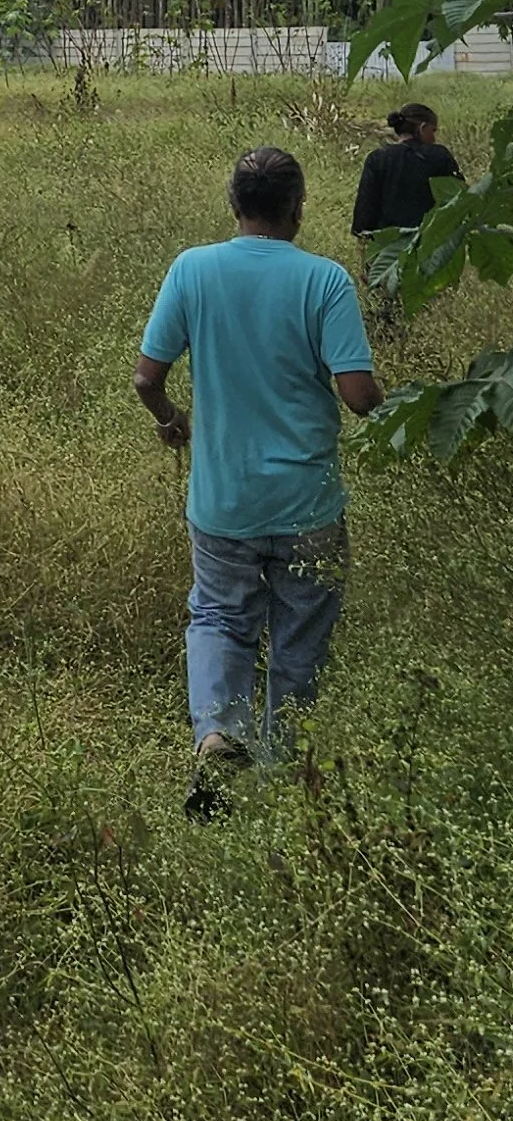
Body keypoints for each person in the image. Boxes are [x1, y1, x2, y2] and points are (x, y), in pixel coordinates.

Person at [133, 147, 383, 815]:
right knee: (299, 639)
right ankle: (283, 781)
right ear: (298, 209)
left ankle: (217, 733)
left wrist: (171, 421)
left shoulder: (193, 269)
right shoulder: (325, 281)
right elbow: (357, 394)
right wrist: (404, 410)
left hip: (224, 503)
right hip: (308, 503)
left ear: (233, 204)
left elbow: (145, 379)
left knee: (219, 618)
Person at [351, 101, 461, 262]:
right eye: (433, 131)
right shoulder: (440, 156)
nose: (434, 137)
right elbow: (459, 198)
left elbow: (365, 208)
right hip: (429, 246)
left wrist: (363, 254)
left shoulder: (378, 158)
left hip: (386, 248)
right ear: (422, 128)